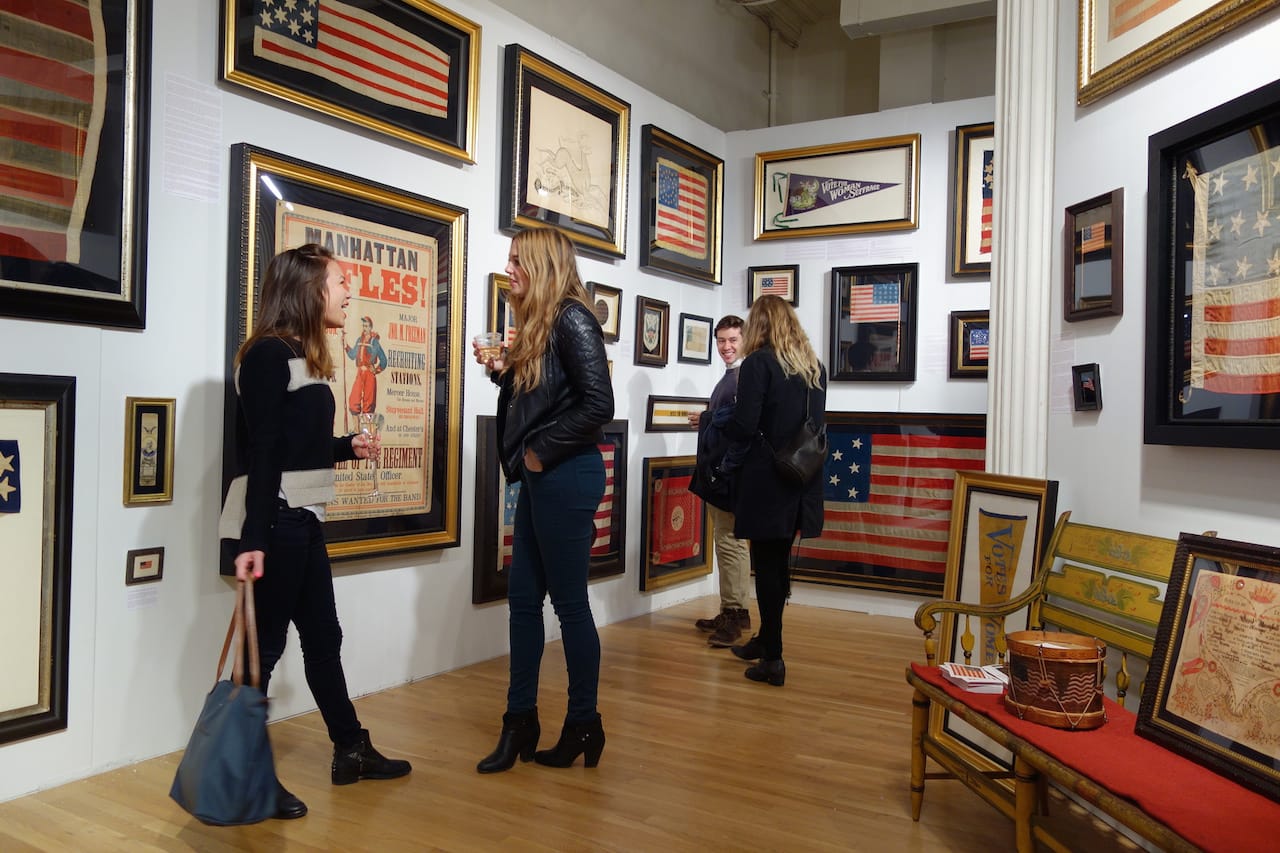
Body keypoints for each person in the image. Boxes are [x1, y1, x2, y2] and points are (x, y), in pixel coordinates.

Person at [218, 244, 411, 820]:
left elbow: (295, 447)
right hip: (274, 524)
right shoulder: (265, 357)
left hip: (302, 520)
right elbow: (264, 450)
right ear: (309, 289)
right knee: (263, 654)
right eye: (341, 281)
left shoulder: (300, 355)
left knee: (324, 641)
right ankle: (245, 778)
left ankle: (350, 749)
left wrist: (345, 448)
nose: (349, 291)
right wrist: (253, 540)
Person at [473, 226, 615, 773]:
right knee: (523, 601)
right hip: (543, 474)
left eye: (516, 260)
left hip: (565, 473)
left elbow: (596, 403)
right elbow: (545, 398)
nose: (509, 269)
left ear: (542, 263)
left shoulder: (574, 317)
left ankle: (584, 722)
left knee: (570, 604)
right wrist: (503, 375)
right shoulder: (539, 321)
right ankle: (520, 721)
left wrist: (538, 453)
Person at [724, 295, 827, 687]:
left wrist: (717, 426)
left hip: (767, 479)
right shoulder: (814, 367)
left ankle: (774, 659)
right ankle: (766, 640)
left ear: (760, 325)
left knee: (766, 567)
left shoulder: (758, 363)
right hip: (801, 477)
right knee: (777, 564)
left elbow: (745, 425)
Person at [688, 315, 753, 648]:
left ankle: (736, 612)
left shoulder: (743, 377)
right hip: (720, 473)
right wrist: (706, 419)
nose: (726, 347)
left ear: (745, 339)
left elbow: (742, 427)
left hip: (728, 475)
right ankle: (733, 610)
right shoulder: (730, 377)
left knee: (731, 544)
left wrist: (709, 420)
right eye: (721, 341)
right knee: (727, 543)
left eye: (733, 340)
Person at [344, 315, 387, 417]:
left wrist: (376, 370)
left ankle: (367, 431)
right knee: (353, 402)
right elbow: (352, 355)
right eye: (364, 326)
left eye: (367, 326)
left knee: (369, 403)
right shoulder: (359, 340)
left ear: (371, 327)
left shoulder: (374, 342)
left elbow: (384, 360)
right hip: (360, 373)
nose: (365, 328)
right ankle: (356, 430)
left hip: (369, 374)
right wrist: (346, 345)